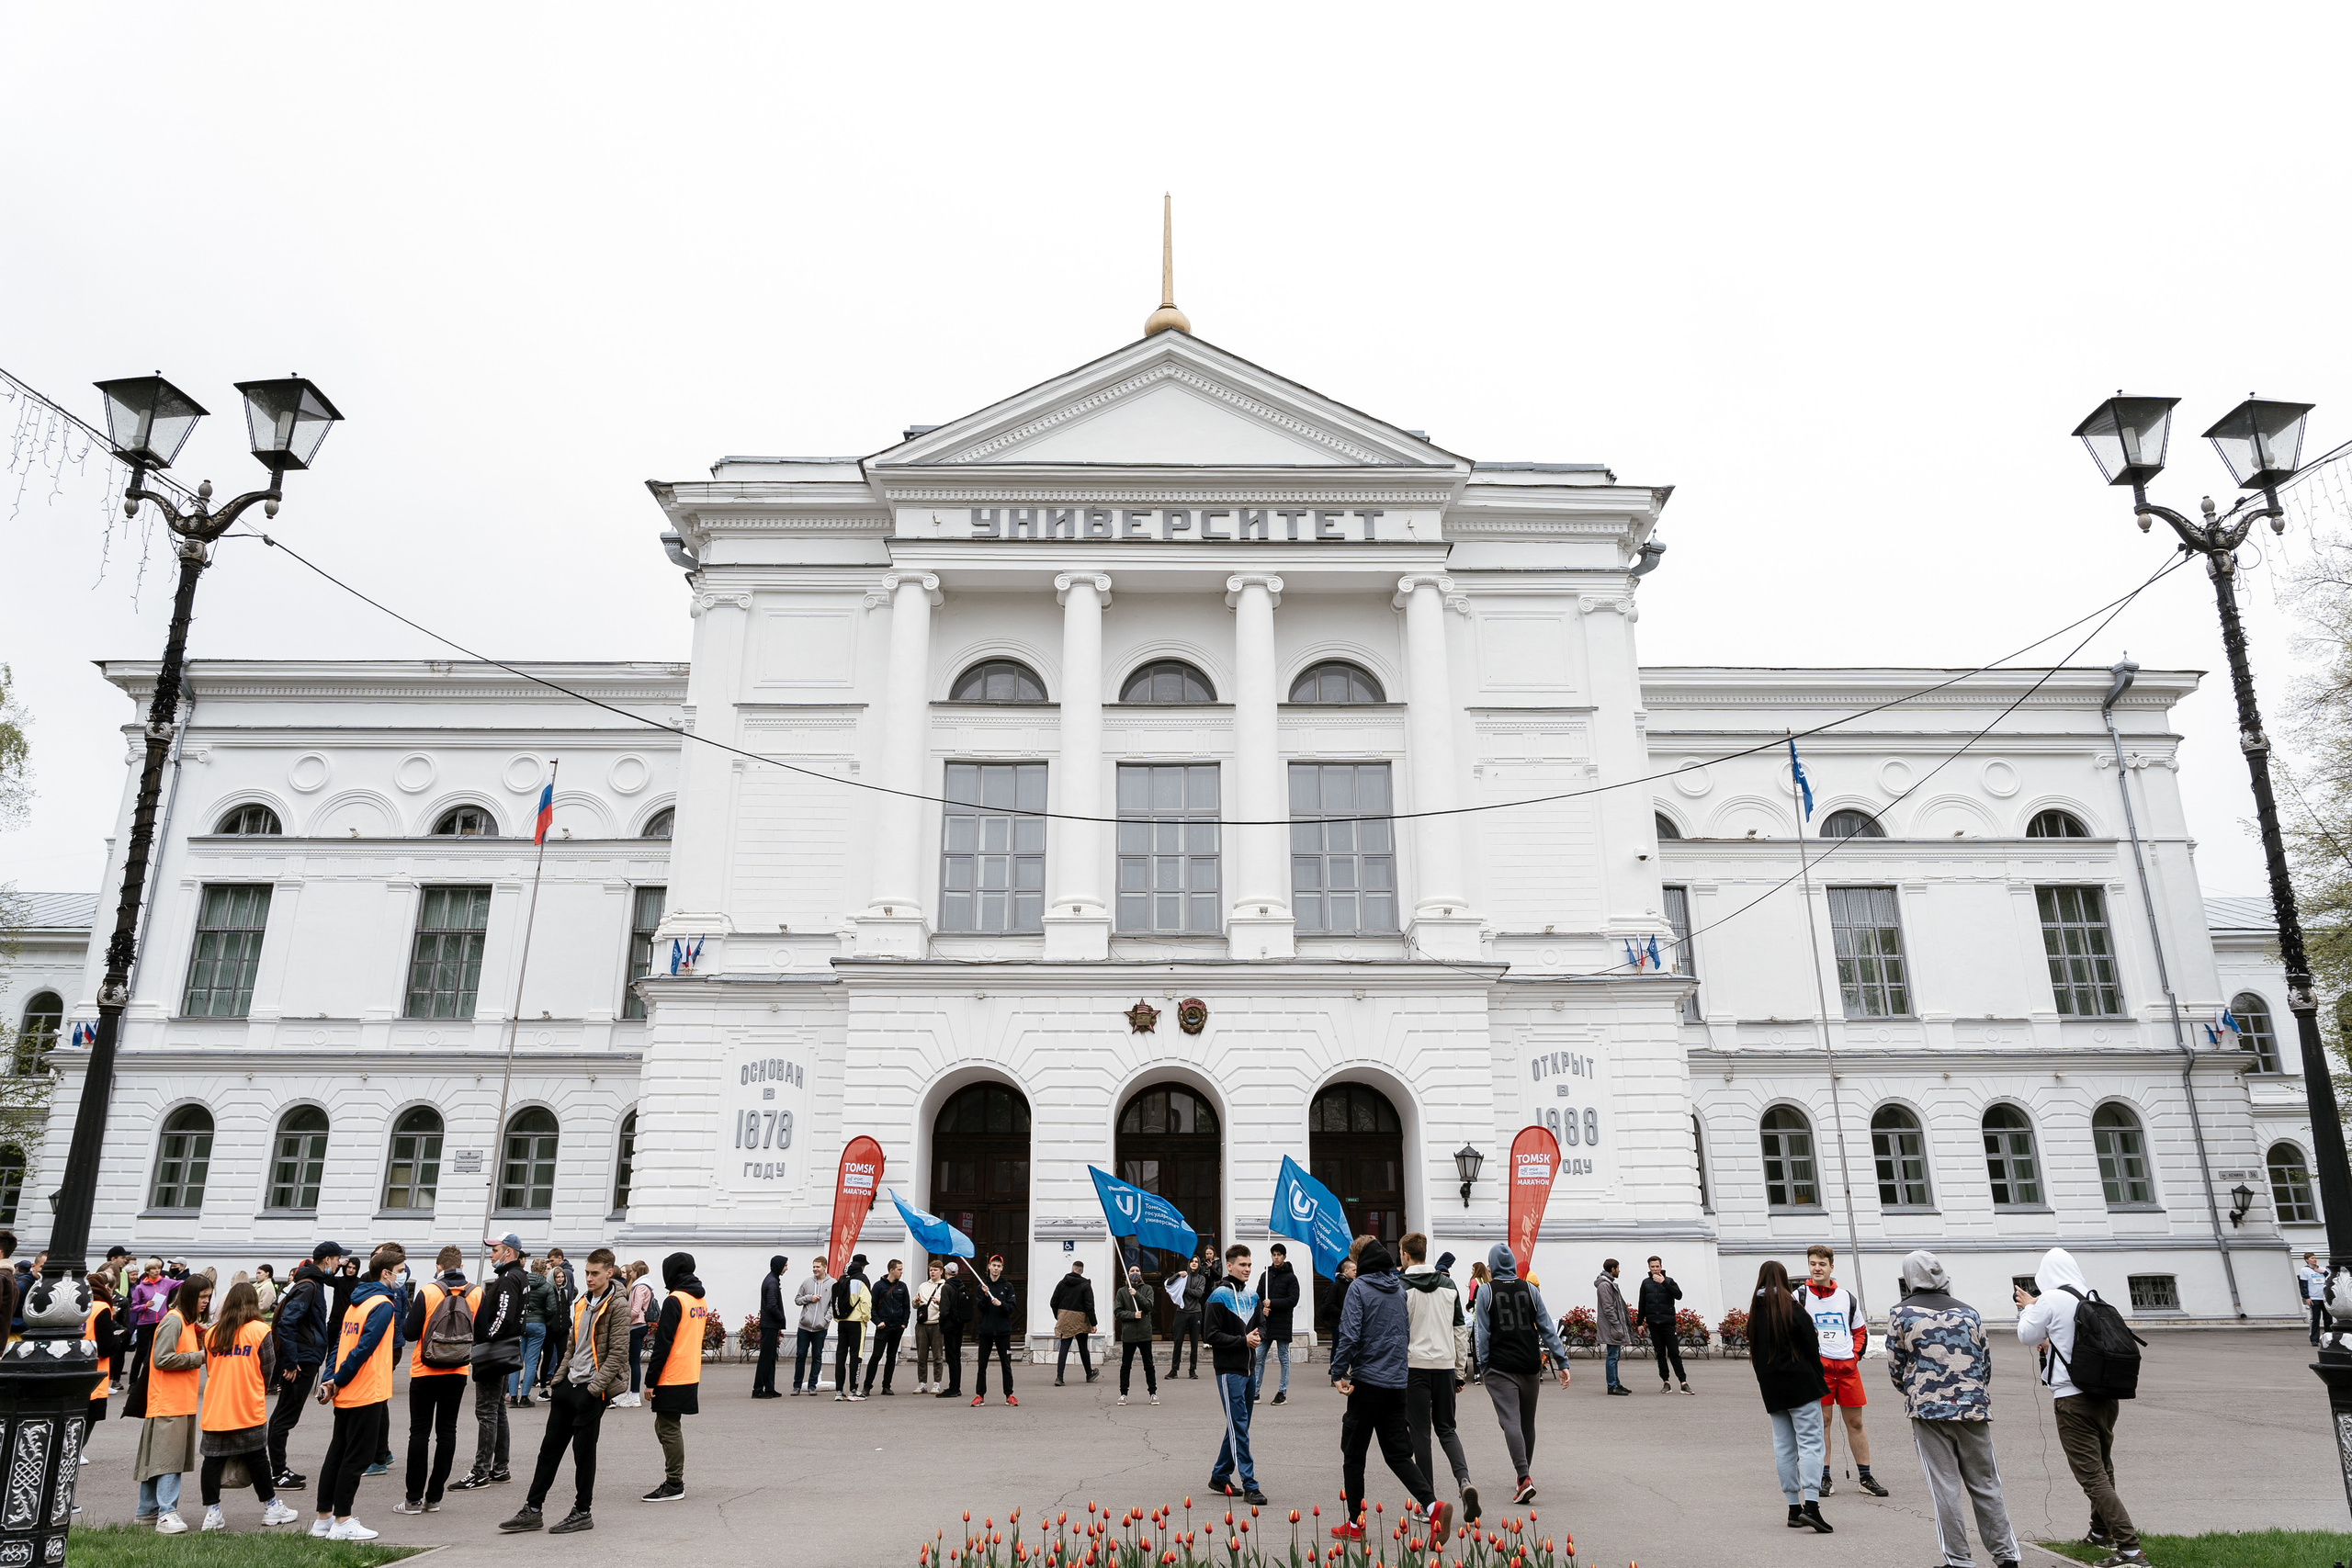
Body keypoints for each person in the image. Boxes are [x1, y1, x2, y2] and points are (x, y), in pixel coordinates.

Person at [1889, 1250, 2019, 1568]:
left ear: (1909, 1277)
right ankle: (2007, 1557)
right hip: (1973, 1408)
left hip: (1928, 1411)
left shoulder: (1901, 1314)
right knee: (1986, 1484)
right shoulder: (1969, 1312)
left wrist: (1914, 1390)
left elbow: (1896, 1366)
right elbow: (1984, 1363)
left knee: (1944, 1486)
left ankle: (1959, 1560)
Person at [2018, 1249, 2146, 1567]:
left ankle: (2130, 1550)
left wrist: (2028, 1307)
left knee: (2091, 1476)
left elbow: (2026, 1335)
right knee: (2103, 1466)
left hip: (2072, 1398)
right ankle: (2100, 1532)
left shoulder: (2049, 1299)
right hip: (2105, 1395)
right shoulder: (2090, 1295)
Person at [1329, 1240, 1453, 1546]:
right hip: (1397, 1385)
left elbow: (1350, 1332)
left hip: (1368, 1382)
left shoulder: (1359, 1289)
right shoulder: (1398, 1288)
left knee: (1354, 1454)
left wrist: (1337, 1371)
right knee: (1398, 1455)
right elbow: (1404, 1332)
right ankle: (1433, 1505)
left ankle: (1356, 1524)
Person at [503, 1247, 628, 1535]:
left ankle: (582, 1512)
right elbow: (572, 1346)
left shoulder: (618, 1305)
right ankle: (532, 1510)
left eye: (595, 1273)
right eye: (587, 1272)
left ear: (609, 1272)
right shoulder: (583, 1301)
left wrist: (594, 1389)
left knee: (583, 1455)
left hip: (591, 1390)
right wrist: (558, 1380)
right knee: (548, 1451)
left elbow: (618, 1353)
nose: (589, 1278)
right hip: (568, 1385)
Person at [311, 1243, 404, 1541]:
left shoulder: (356, 1303)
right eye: (400, 1272)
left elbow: (338, 1346)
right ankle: (342, 1521)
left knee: (337, 1453)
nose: (402, 1277)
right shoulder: (384, 1305)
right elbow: (363, 1350)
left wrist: (330, 1380)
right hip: (366, 1391)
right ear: (386, 1273)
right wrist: (337, 1380)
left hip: (348, 1391)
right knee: (357, 1457)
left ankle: (323, 1519)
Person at [1471, 1244, 1569, 1506]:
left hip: (1500, 1367)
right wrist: (1562, 1361)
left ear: (1491, 1266)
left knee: (1510, 1421)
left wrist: (1483, 1366)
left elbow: (1482, 1332)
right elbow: (1547, 1327)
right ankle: (1522, 1476)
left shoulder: (1486, 1291)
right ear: (1513, 1265)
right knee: (1527, 1423)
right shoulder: (1531, 1290)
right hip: (1529, 1365)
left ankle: (1524, 1476)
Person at [198, 1280, 300, 1531]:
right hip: (247, 1405)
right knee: (257, 1459)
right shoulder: (259, 1330)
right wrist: (256, 1387)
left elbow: (210, 1368)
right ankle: (271, 1507)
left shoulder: (213, 1332)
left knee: (212, 1460)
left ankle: (212, 1513)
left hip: (216, 1405)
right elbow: (268, 1367)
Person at [1749, 1259, 1833, 1534]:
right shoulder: (1791, 1306)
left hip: (1771, 1388)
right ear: (1784, 1280)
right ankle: (1812, 1506)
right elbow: (1812, 1344)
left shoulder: (1754, 1311)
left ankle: (1793, 1508)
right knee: (1810, 1443)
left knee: (1784, 1447)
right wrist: (1817, 1374)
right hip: (1801, 1384)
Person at [1400, 1232, 1476, 1524]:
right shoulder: (1448, 1285)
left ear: (1406, 1255)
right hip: (1444, 1366)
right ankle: (1464, 1481)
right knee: (1447, 1429)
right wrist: (1460, 1371)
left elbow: (1399, 1331)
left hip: (1415, 1367)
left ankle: (1427, 1502)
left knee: (1420, 1433)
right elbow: (1460, 1331)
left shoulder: (1401, 1286)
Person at [392, 1247, 471, 1517]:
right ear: (461, 1265)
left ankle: (413, 1500)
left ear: (439, 1266)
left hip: (425, 1370)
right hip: (458, 1371)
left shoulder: (428, 1291)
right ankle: (434, 1498)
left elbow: (411, 1332)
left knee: (420, 1434)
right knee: (447, 1432)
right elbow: (481, 1332)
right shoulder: (476, 1293)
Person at [1803, 1245, 1886, 1495]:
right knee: (1823, 1423)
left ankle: (1865, 1477)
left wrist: (1854, 1357)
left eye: (1822, 1264)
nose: (1817, 1268)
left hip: (1848, 1371)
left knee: (1856, 1423)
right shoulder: (1800, 1296)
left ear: (1831, 1267)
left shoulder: (1847, 1298)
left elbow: (1860, 1331)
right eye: (1813, 1264)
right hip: (1820, 1372)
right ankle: (1824, 1477)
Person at [450, 1233, 528, 1493]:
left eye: (495, 1251)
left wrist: (482, 1341)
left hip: (495, 1353)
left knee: (486, 1411)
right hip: (504, 1351)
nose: (491, 1255)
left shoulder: (508, 1279)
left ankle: (481, 1471)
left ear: (508, 1252)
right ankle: (499, 1468)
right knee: (496, 1410)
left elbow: (503, 1318)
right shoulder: (517, 1276)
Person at [137, 1273, 210, 1532]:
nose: (206, 1301)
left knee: (159, 1459)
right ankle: (166, 1513)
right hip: (169, 1402)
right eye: (202, 1297)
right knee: (169, 1460)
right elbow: (162, 1359)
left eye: (208, 1297)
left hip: (176, 1401)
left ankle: (147, 1510)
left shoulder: (185, 1322)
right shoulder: (174, 1320)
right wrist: (199, 1357)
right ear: (190, 1296)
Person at [266, 1246, 337, 1490]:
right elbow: (287, 1324)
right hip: (301, 1360)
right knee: (285, 1416)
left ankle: (278, 1469)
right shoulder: (308, 1286)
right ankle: (277, 1472)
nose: (338, 1265)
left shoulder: (310, 1283)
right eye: (337, 1259)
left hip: (304, 1357)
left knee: (285, 1415)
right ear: (327, 1260)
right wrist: (291, 1361)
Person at [640, 1251, 707, 1502]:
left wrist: (650, 1380)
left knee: (668, 1429)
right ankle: (674, 1479)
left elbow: (663, 1343)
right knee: (665, 1426)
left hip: (672, 1373)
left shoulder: (675, 1299)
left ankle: (674, 1483)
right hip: (689, 1371)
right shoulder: (698, 1299)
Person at [1204, 1243, 1268, 1505]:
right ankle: (1250, 1484)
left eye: (1250, 1264)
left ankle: (1220, 1475)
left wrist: (1258, 1335)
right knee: (1239, 1426)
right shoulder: (1217, 1296)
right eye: (1242, 1264)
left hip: (1249, 1369)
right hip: (1229, 1371)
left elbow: (1263, 1327)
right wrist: (1243, 1341)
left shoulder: (1253, 1297)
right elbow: (1210, 1335)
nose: (1247, 1269)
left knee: (1238, 1425)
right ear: (1229, 1265)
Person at [1638, 1255, 1693, 1395]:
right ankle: (1666, 1382)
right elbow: (1642, 1304)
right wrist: (1640, 1323)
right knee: (1660, 1353)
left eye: (1657, 1266)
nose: (1655, 1269)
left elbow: (1678, 1295)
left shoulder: (1669, 1281)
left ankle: (1683, 1382)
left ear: (1661, 1267)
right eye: (1652, 1267)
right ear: (1649, 1268)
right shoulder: (1645, 1283)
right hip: (1653, 1323)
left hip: (1668, 1322)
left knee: (1674, 1352)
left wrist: (1664, 1283)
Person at [971, 1255, 1020, 1406]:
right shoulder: (982, 1287)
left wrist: (1001, 1304)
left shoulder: (1007, 1286)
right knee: (982, 1365)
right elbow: (981, 1308)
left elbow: (1012, 1307)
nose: (996, 1268)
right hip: (986, 1331)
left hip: (1003, 1331)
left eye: (999, 1266)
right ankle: (980, 1395)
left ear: (1002, 1268)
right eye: (994, 1265)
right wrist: (986, 1296)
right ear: (989, 1267)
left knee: (1006, 1364)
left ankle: (1009, 1395)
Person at [123, 1257, 173, 1407]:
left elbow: (181, 1284)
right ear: (147, 1271)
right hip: (145, 1323)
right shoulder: (140, 1287)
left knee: (156, 1351)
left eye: (158, 1268)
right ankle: (133, 1382)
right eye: (154, 1268)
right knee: (141, 1352)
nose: (157, 1270)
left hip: (160, 1322)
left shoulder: (165, 1282)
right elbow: (134, 1306)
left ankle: (152, 1380)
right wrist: (146, 1305)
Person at [1113, 1262, 1159, 1406]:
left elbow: (1148, 1306)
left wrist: (1136, 1294)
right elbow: (1118, 1312)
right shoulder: (1121, 1291)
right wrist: (1132, 1315)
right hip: (1129, 1334)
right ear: (1128, 1273)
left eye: (1137, 1270)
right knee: (1126, 1365)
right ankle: (1123, 1394)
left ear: (1141, 1273)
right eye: (1132, 1270)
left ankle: (1153, 1393)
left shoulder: (1147, 1289)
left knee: (1149, 1365)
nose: (1135, 1272)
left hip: (1144, 1333)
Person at [1259, 1242, 1299, 1404]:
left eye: (1279, 1255)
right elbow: (1258, 1296)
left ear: (1284, 1256)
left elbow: (1292, 1300)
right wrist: (1263, 1307)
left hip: (1282, 1323)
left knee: (1283, 1357)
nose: (1276, 1257)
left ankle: (1282, 1392)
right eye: (1274, 1255)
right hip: (1267, 1323)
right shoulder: (1265, 1275)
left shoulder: (1291, 1277)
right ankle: (1254, 1391)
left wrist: (1272, 1303)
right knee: (1259, 1356)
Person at [865, 1259, 910, 1396]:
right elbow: (871, 1307)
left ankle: (886, 1386)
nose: (901, 1272)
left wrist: (904, 1324)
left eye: (901, 1269)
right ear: (891, 1270)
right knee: (876, 1356)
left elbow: (906, 1306)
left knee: (891, 1357)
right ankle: (867, 1386)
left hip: (897, 1327)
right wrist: (877, 1322)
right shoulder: (878, 1286)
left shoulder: (902, 1286)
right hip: (883, 1327)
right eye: (899, 1270)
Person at [831, 1255, 873, 1402]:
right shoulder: (861, 1281)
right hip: (856, 1323)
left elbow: (834, 1303)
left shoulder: (840, 1281)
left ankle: (838, 1391)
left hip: (842, 1322)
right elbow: (866, 1302)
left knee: (840, 1356)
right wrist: (865, 1318)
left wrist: (838, 1318)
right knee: (856, 1355)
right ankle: (854, 1391)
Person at [513, 1257, 553, 1408]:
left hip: (522, 1324)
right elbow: (552, 1309)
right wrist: (542, 1316)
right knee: (531, 1362)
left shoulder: (522, 1282)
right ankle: (524, 1397)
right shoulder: (547, 1286)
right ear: (543, 1270)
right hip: (538, 1324)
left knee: (517, 1361)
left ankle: (512, 1396)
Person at [1050, 1258, 1098, 1386]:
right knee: (1083, 1347)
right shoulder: (1085, 1285)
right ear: (1081, 1271)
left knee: (1064, 1347)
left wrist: (1059, 1316)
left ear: (1072, 1269)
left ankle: (1059, 1377)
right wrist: (1093, 1323)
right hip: (1081, 1319)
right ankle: (1089, 1374)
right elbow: (1089, 1306)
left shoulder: (1062, 1283)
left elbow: (1053, 1302)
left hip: (1065, 1317)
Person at [539, 1247, 578, 1396]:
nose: (561, 1279)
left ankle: (557, 1385)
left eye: (562, 1277)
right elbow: (546, 1310)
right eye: (558, 1277)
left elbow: (566, 1308)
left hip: (563, 1329)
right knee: (548, 1358)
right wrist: (549, 1324)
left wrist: (567, 1324)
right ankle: (543, 1388)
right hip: (550, 1330)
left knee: (563, 1358)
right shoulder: (548, 1291)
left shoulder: (566, 1291)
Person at [935, 1259, 976, 1399]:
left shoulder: (946, 1287)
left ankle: (953, 1388)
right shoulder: (961, 1286)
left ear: (946, 1273)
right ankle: (956, 1386)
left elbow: (945, 1309)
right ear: (957, 1273)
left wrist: (941, 1322)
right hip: (959, 1325)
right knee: (956, 1357)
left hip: (949, 1326)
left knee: (951, 1357)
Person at [1170, 1246, 1211, 1379]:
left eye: (1196, 1261)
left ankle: (1192, 1370)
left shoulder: (1201, 1279)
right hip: (1181, 1312)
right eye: (1192, 1261)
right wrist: (1177, 1275)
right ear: (1189, 1263)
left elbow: (1199, 1293)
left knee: (1194, 1343)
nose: (1194, 1263)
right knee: (1178, 1342)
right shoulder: (1183, 1277)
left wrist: (1184, 1289)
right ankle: (1174, 1370)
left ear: (1199, 1265)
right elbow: (1169, 1284)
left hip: (1195, 1312)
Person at [792, 1257, 831, 1395]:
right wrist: (810, 1298)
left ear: (824, 1267)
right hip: (804, 1326)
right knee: (801, 1355)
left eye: (818, 1267)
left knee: (817, 1356)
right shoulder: (807, 1282)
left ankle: (812, 1385)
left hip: (820, 1328)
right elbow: (797, 1299)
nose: (815, 1269)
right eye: (814, 1266)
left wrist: (826, 1320)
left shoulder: (832, 1283)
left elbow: (833, 1305)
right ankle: (797, 1385)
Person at [1593, 1259, 1634, 1395]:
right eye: (1618, 1268)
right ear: (1612, 1269)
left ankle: (1616, 1383)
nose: (1619, 1271)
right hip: (1611, 1326)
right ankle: (1612, 1386)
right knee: (1612, 1356)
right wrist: (1616, 1324)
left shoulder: (1608, 1283)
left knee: (1615, 1356)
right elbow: (1608, 1307)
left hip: (1613, 1325)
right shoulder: (1605, 1285)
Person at [752, 1255, 788, 1398]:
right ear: (779, 1266)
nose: (786, 1268)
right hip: (769, 1325)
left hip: (770, 1325)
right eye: (785, 1265)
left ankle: (769, 1387)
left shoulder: (772, 1279)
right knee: (766, 1358)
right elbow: (772, 1306)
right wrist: (781, 1318)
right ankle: (758, 1389)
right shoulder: (772, 1282)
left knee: (771, 1357)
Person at [911, 1260, 948, 1393]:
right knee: (921, 1356)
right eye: (931, 1270)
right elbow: (916, 1305)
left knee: (937, 1356)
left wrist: (940, 1303)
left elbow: (947, 1306)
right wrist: (915, 1301)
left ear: (941, 1271)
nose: (932, 1272)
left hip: (937, 1324)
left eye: (935, 1270)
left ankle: (937, 1382)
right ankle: (922, 1382)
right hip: (922, 1324)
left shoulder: (944, 1286)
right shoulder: (923, 1286)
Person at [621, 1261, 654, 1407]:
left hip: (636, 1325)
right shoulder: (645, 1285)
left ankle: (634, 1395)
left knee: (634, 1362)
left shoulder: (640, 1287)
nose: (630, 1273)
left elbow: (636, 1310)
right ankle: (632, 1394)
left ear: (638, 1272)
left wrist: (623, 1320)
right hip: (640, 1325)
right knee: (633, 1361)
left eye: (632, 1271)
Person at [2302, 1252, 2330, 1346]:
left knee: (2328, 1318)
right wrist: (2307, 1297)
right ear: (2307, 1260)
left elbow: (2330, 1280)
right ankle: (2314, 1339)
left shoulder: (2322, 1269)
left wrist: (2324, 1273)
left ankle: (2328, 1338)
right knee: (2315, 1319)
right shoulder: (2305, 1270)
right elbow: (2304, 1285)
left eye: (2315, 1258)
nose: (2314, 1259)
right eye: (2312, 1258)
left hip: (2324, 1297)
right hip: (2314, 1297)